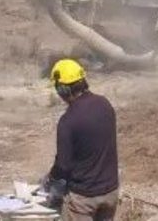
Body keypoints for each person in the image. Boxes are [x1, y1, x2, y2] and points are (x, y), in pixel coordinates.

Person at [41, 58, 119, 221]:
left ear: (63, 89)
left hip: (85, 198)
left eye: (57, 88)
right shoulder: (105, 104)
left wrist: (50, 178)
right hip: (111, 192)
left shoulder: (68, 121)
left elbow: (63, 166)